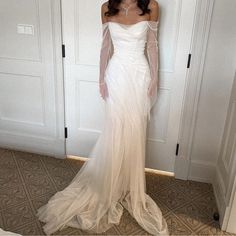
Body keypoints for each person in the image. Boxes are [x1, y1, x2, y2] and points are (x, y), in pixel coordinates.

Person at [36, 0, 169, 235]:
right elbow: (106, 46)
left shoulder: (152, 7)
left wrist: (155, 78)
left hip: (139, 75)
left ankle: (130, 185)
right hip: (116, 75)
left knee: (135, 129)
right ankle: (111, 183)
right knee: (115, 128)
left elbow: (152, 46)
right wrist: (101, 79)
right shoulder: (106, 8)